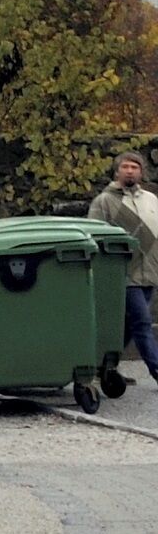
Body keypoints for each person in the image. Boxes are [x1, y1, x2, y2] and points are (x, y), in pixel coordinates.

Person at [94, 148, 158, 379]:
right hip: (123, 272)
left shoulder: (151, 199)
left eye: (135, 167)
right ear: (117, 171)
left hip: (150, 271)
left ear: (141, 172)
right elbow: (94, 235)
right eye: (125, 167)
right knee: (142, 322)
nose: (130, 171)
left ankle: (103, 366)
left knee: (130, 324)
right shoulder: (104, 201)